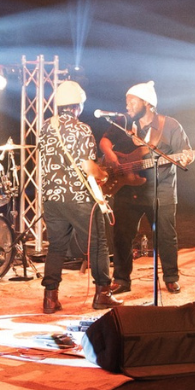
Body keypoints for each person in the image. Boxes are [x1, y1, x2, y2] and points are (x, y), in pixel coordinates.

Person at [98, 81, 192, 294]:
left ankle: (170, 277)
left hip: (161, 191)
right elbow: (104, 141)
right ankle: (121, 280)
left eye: (132, 101)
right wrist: (112, 157)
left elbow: (184, 153)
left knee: (166, 236)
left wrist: (186, 159)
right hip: (127, 189)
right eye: (126, 101)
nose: (127, 106)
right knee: (121, 235)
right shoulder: (122, 122)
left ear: (147, 103)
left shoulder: (170, 125)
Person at [38, 81, 121, 313]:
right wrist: (104, 173)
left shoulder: (45, 127)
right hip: (77, 198)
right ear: (77, 106)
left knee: (56, 246)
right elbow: (88, 166)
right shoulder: (82, 129)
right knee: (98, 244)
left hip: (52, 199)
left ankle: (50, 298)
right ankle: (103, 294)